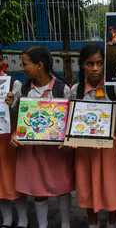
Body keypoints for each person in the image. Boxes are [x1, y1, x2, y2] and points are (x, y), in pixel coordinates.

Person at [10, 46, 74, 228]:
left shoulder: (63, 89)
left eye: (25, 64)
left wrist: (68, 138)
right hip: (33, 150)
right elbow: (20, 120)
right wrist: (15, 134)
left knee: (62, 188)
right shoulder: (24, 90)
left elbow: (70, 120)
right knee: (38, 190)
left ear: (39, 65)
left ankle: (66, 224)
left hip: (58, 151)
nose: (22, 68)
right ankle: (42, 225)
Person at [70, 43, 116, 228]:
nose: (95, 68)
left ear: (105, 64)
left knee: (112, 186)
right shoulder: (75, 91)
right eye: (90, 64)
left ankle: (112, 223)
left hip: (110, 147)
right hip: (84, 149)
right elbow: (71, 120)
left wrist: (109, 131)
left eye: (99, 63)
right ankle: (93, 224)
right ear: (82, 65)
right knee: (87, 185)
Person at [0, 50, 28, 228]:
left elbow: (19, 113)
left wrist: (11, 104)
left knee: (13, 177)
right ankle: (7, 219)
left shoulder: (12, 83)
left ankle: (23, 220)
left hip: (7, 136)